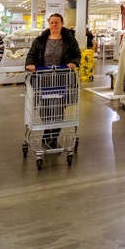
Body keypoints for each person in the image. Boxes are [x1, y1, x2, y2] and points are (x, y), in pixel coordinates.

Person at [25, 14, 81, 149]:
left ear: (62, 23)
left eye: (56, 22)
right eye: (51, 23)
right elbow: (31, 55)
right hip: (43, 80)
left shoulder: (70, 40)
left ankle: (54, 137)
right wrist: (29, 64)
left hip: (62, 80)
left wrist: (74, 63)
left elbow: (77, 55)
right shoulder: (40, 40)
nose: (54, 25)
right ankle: (47, 132)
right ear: (48, 24)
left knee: (58, 108)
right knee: (45, 108)